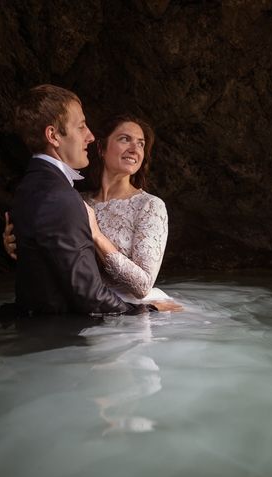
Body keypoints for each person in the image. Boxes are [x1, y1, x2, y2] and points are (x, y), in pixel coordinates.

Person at [10, 84, 176, 316]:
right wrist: (19, 244)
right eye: (125, 139)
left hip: (120, 310)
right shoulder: (76, 198)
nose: (135, 148)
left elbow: (142, 286)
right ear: (101, 148)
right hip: (94, 311)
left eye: (140, 143)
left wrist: (96, 235)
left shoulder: (150, 206)